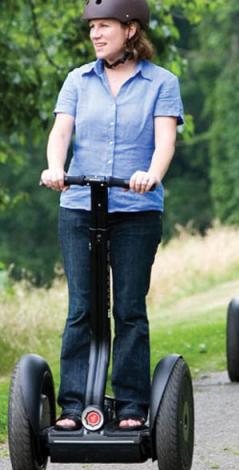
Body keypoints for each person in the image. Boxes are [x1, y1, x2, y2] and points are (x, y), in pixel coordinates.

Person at [40, 0, 183, 431]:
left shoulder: (162, 82)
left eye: (105, 26)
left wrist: (150, 175)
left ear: (131, 30)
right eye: (92, 28)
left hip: (135, 211)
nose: (96, 35)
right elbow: (61, 132)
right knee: (82, 308)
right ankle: (72, 406)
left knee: (129, 309)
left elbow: (165, 143)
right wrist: (55, 167)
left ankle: (133, 405)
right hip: (80, 207)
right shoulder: (77, 81)